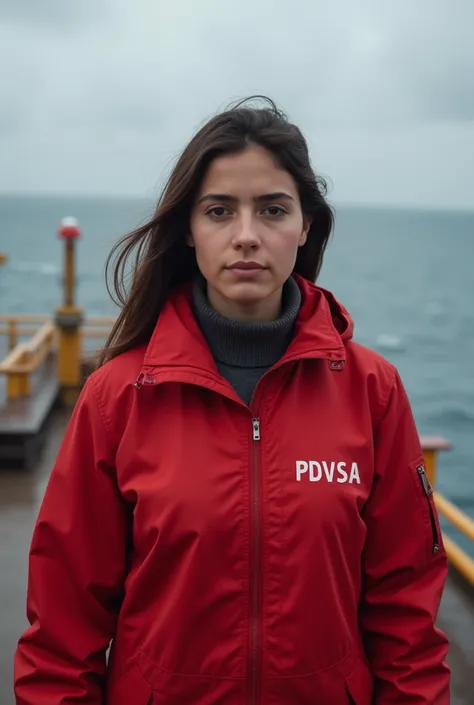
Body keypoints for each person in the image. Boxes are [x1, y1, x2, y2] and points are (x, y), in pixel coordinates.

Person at [14, 96, 450, 704]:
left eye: (273, 210)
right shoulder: (118, 397)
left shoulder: (372, 390)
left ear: (306, 226)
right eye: (219, 211)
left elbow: (407, 619)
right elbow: (62, 632)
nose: (247, 236)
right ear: (189, 231)